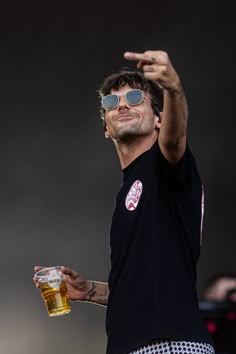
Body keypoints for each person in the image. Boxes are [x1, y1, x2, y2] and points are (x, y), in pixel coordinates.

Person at [34, 50, 215, 354]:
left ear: (159, 119)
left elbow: (174, 140)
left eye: (134, 98)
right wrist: (89, 290)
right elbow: (145, 290)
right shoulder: (128, 189)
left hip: (170, 344)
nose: (121, 105)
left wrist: (173, 88)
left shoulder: (164, 165)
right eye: (111, 102)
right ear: (106, 127)